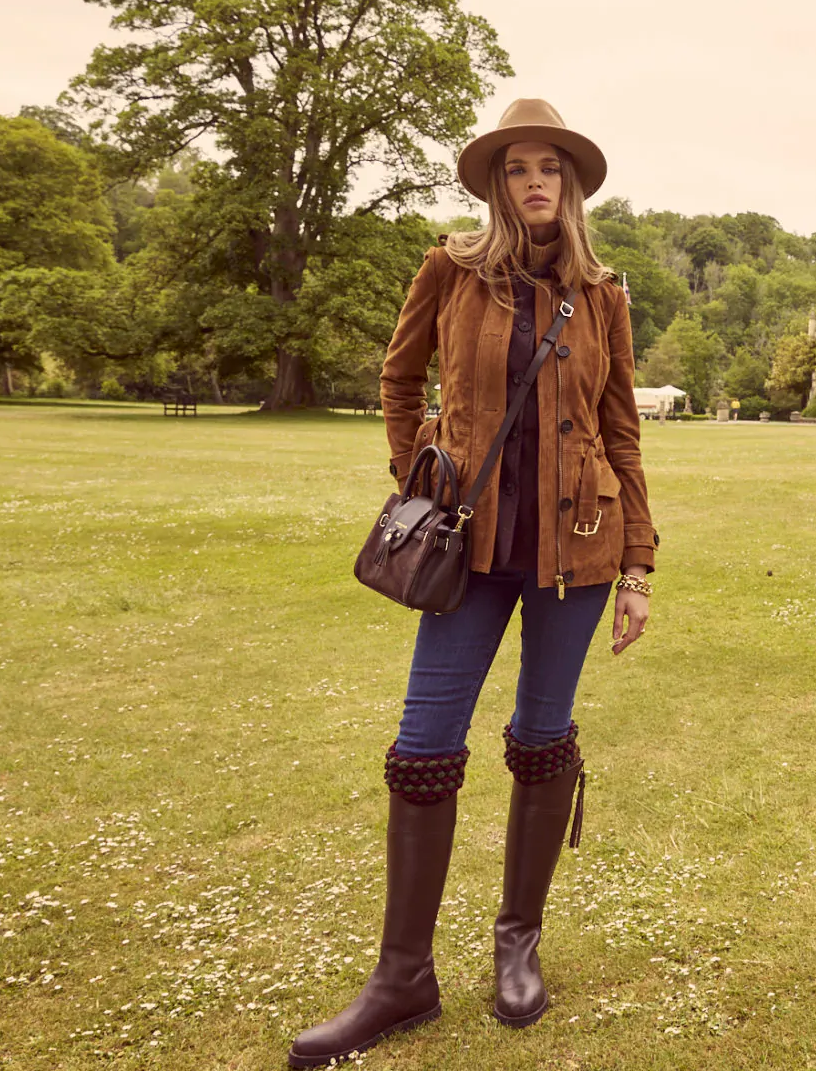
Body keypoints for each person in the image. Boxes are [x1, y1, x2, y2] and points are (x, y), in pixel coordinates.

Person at [289, 99, 658, 1068]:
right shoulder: (450, 271)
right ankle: (400, 977)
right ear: (495, 183)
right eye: (516, 168)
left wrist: (639, 568)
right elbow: (397, 376)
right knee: (422, 746)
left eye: (550, 168)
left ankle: (516, 946)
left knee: (543, 742)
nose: (534, 181)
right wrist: (418, 471)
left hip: (578, 548)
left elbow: (622, 429)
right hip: (471, 546)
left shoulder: (604, 294)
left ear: (569, 187)